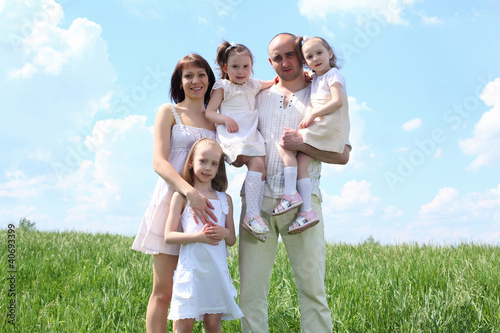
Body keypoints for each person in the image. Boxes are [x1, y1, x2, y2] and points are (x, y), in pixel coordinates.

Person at [238, 33, 351, 333]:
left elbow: (343, 155)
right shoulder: (257, 96)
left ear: (302, 56)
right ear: (269, 62)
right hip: (257, 205)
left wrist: (301, 144)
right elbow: (238, 146)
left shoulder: (322, 92)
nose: (285, 62)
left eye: (290, 55)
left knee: (313, 290)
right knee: (250, 293)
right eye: (277, 57)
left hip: (304, 203)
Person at [131, 54, 217, 333]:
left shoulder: (216, 119)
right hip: (171, 200)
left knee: (200, 294)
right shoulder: (168, 112)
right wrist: (188, 191)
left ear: (209, 79)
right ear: (179, 82)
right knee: (163, 291)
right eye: (188, 75)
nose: (195, 81)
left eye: (201, 74)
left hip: (203, 206)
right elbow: (159, 161)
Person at [273, 35, 350, 235]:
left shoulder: (334, 76)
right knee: (301, 163)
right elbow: (304, 76)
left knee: (286, 143)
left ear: (330, 53)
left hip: (326, 125)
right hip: (322, 124)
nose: (315, 59)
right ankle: (306, 211)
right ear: (305, 62)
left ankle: (290, 194)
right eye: (309, 57)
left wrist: (314, 113)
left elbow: (337, 101)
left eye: (319, 53)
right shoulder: (316, 77)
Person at [165, 138, 243, 333]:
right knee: (184, 324)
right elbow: (169, 236)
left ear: (219, 168)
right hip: (191, 271)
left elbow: (232, 240)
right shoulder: (182, 196)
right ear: (191, 162)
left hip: (216, 272)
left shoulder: (225, 199)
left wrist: (225, 233)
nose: (208, 168)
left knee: (214, 324)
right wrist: (198, 237)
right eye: (203, 161)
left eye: (214, 163)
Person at [205, 41, 274, 237]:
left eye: (246, 66)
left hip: (251, 135)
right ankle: (251, 215)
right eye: (235, 66)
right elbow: (209, 113)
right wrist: (225, 119)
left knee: (260, 166)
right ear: (225, 68)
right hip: (234, 136)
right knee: (256, 164)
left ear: (251, 68)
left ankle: (252, 215)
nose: (241, 71)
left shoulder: (253, 84)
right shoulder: (223, 86)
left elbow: (275, 82)